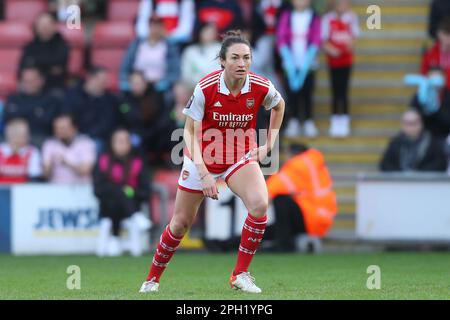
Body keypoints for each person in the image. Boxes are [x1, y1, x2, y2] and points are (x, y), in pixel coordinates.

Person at [139, 30, 285, 294]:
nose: (242, 63)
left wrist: (268, 145)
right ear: (222, 60)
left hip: (239, 155)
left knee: (260, 204)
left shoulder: (261, 86)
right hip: (202, 156)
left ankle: (240, 274)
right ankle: (152, 279)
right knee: (181, 223)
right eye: (235, 58)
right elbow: (188, 133)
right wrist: (205, 174)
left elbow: (279, 106)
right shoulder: (205, 88)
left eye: (246, 58)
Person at [266, 144, 337, 252]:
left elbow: (275, 185)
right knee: (271, 229)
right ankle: (237, 243)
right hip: (320, 220)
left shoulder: (298, 163)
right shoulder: (315, 163)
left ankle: (284, 245)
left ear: (292, 153)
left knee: (281, 200)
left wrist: (258, 200)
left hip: (310, 219)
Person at [93, 128, 151, 257]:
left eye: (124, 141)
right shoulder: (103, 161)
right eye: (118, 141)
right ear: (111, 143)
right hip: (107, 206)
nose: (121, 144)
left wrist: (130, 192)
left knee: (123, 193)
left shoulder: (138, 163)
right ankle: (135, 216)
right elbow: (97, 190)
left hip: (132, 202)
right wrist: (120, 190)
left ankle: (115, 237)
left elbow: (145, 192)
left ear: (130, 143)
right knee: (117, 193)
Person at [277, 0, 321, 137]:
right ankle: (294, 120)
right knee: (292, 93)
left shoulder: (314, 16)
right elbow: (281, 37)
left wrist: (308, 59)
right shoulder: (287, 16)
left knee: (307, 92)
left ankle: (308, 120)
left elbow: (316, 38)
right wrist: (288, 58)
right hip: (290, 64)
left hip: (308, 64)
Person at [117, 71, 176, 165]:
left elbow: (163, 119)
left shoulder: (156, 97)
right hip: (133, 135)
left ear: (145, 83)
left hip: (154, 136)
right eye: (133, 83)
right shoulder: (124, 99)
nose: (136, 86)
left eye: (138, 83)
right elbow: (122, 121)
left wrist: (147, 134)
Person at [321, 0, 359, 137]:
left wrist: (348, 46)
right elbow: (324, 40)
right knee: (334, 89)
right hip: (333, 61)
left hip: (346, 60)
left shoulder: (352, 18)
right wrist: (332, 50)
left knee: (344, 89)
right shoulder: (327, 19)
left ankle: (345, 119)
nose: (342, 7)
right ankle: (335, 118)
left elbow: (354, 38)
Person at [411, 16, 450, 138]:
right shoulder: (430, 54)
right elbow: (423, 74)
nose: (447, 38)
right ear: (439, 34)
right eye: (445, 34)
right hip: (432, 93)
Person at [120, 15, 181, 94]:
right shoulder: (137, 44)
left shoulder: (169, 46)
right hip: (137, 82)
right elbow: (126, 65)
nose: (155, 29)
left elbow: (175, 71)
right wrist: (126, 79)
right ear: (148, 27)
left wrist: (165, 81)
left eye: (158, 26)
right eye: (153, 26)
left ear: (162, 28)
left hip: (158, 85)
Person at [3, 67, 62, 146]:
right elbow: (8, 119)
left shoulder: (51, 99)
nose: (28, 84)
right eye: (25, 81)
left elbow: (45, 122)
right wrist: (34, 112)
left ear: (41, 81)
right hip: (14, 138)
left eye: (31, 81)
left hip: (40, 138)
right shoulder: (13, 98)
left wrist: (21, 113)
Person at [64, 67, 118, 148]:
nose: (103, 84)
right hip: (73, 135)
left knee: (96, 145)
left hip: (94, 137)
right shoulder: (73, 94)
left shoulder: (108, 99)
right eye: (100, 81)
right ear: (90, 78)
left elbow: (106, 123)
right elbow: (66, 115)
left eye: (104, 82)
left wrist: (87, 136)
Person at [379, 109, 447, 172]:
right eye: (407, 123)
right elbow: (385, 164)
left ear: (421, 123)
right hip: (400, 182)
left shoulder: (432, 142)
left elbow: (440, 163)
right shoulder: (395, 142)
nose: (411, 127)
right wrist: (401, 174)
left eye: (414, 123)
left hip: (426, 182)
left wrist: (419, 174)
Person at [19, 12, 69, 91]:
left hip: (54, 86)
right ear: (36, 27)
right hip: (30, 85)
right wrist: (48, 68)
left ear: (55, 26)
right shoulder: (29, 46)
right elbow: (21, 68)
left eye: (47, 24)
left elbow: (59, 65)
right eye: (41, 25)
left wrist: (34, 63)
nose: (44, 27)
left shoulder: (63, 45)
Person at [42, 113, 96, 183]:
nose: (59, 131)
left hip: (82, 188)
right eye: (56, 128)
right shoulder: (49, 144)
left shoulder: (86, 143)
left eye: (63, 128)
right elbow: (45, 175)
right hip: (55, 189)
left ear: (74, 128)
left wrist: (66, 163)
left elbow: (86, 170)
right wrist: (48, 168)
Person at [180, 22, 221, 90]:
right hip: (194, 87)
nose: (210, 34)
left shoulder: (221, 49)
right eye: (207, 31)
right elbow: (186, 74)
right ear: (200, 32)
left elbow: (221, 71)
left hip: (215, 86)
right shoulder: (190, 51)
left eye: (212, 32)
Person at [0, 119, 42, 184]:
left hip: (24, 191)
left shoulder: (32, 152)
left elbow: (34, 178)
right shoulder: (1, 150)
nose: (28, 137)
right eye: (24, 135)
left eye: (27, 134)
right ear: (11, 135)